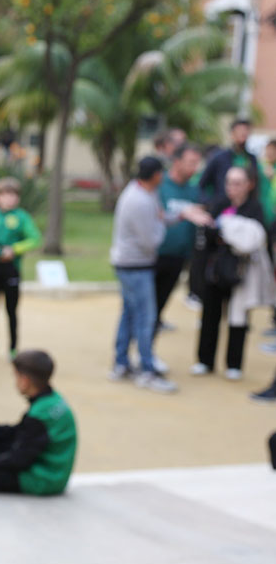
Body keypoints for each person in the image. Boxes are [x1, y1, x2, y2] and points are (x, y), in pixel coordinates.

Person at [190, 165, 276, 380]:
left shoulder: (255, 208)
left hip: (240, 272)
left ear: (249, 185)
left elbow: (254, 240)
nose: (232, 188)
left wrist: (224, 232)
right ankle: (205, 360)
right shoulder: (219, 204)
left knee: (238, 318)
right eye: (229, 182)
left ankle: (234, 363)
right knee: (210, 316)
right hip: (215, 272)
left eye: (237, 183)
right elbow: (208, 234)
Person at [109, 157, 184, 393]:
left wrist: (178, 216)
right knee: (145, 317)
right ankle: (147, 371)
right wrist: (161, 224)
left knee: (130, 313)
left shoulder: (143, 192)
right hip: (135, 265)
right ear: (156, 175)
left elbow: (158, 218)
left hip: (129, 264)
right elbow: (151, 240)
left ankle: (121, 363)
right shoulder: (139, 200)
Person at [0, 350, 78, 495]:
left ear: (25, 380)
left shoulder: (38, 416)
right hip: (52, 468)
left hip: (44, 480)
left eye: (16, 376)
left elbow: (17, 461)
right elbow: (21, 432)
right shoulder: (52, 399)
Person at [0, 177, 40, 362]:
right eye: (4, 195)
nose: (8, 199)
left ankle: (13, 349)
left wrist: (14, 250)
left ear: (18, 198)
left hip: (11, 268)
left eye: (12, 195)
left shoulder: (22, 217)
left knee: (11, 310)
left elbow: (35, 239)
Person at [155, 143, 203, 335]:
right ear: (177, 162)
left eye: (197, 163)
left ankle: (156, 324)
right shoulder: (159, 185)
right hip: (155, 254)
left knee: (163, 296)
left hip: (180, 255)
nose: (194, 168)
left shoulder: (193, 190)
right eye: (191, 163)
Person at [199, 119, 259, 204]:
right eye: (239, 131)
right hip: (222, 205)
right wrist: (209, 202)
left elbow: (256, 184)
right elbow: (202, 183)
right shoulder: (219, 157)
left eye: (246, 131)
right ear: (232, 133)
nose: (243, 134)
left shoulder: (252, 159)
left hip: (246, 207)